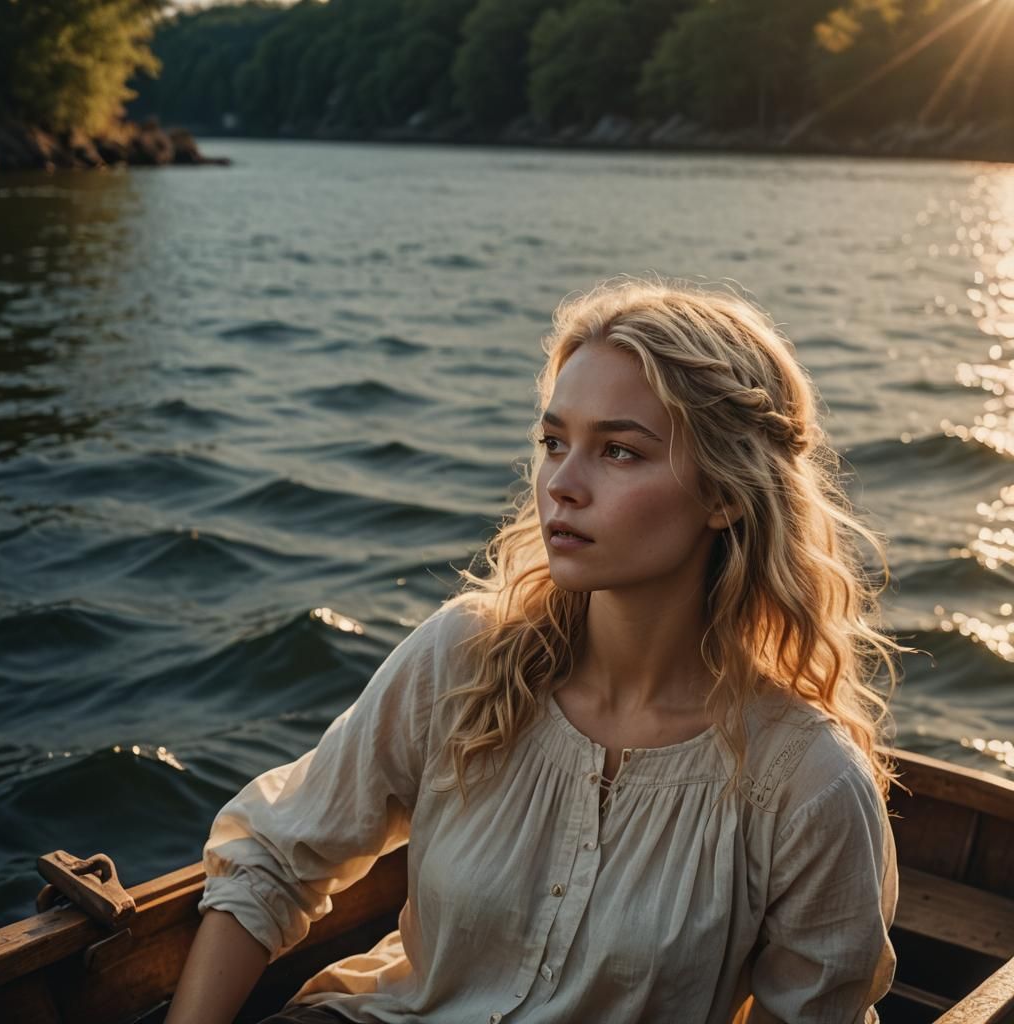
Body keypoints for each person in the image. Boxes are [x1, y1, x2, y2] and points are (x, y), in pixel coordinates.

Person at [165, 278, 904, 1024]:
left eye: (619, 451)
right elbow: (273, 859)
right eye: (554, 443)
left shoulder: (808, 784)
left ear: (725, 494)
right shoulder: (464, 658)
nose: (562, 485)